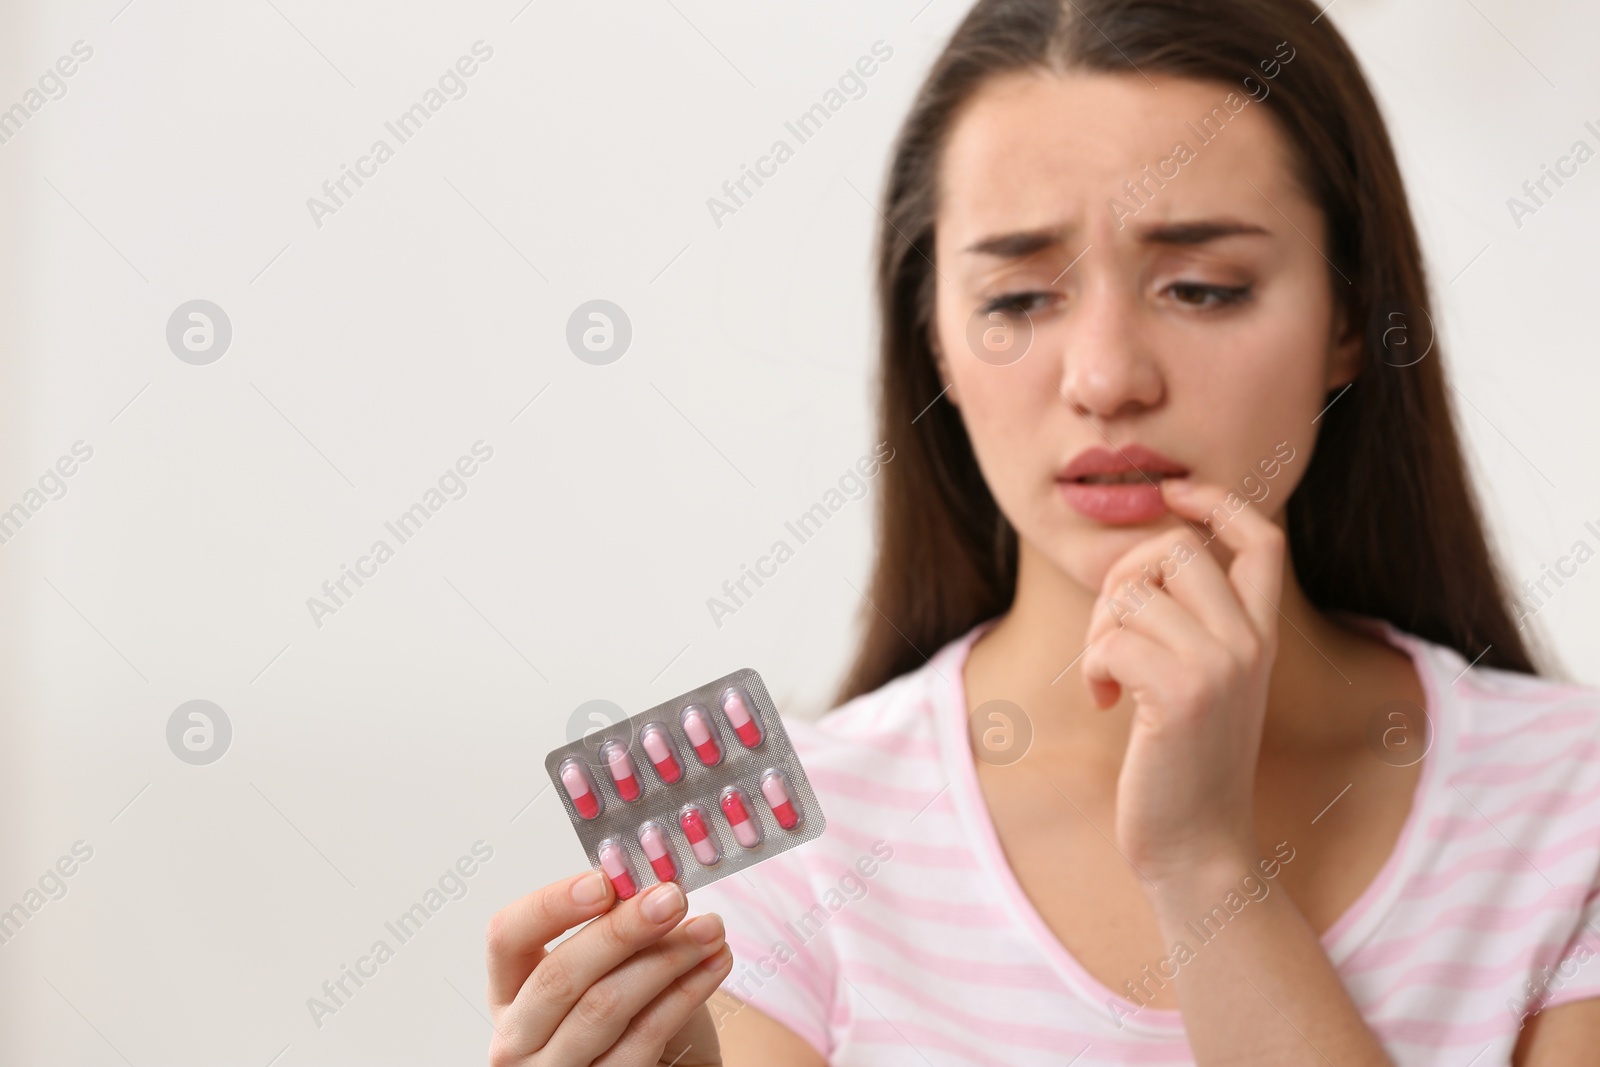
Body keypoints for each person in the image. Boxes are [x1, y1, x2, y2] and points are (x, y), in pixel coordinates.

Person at [482, 0, 1600, 1062]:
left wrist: (1205, 866)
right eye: (1017, 300)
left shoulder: (1571, 802)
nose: (1106, 377)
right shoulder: (780, 852)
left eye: (1203, 287)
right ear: (934, 345)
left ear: (1350, 317)